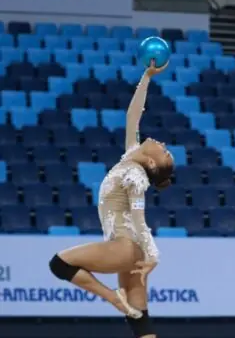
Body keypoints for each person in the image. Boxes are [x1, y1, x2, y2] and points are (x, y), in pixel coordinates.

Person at [48, 62, 173, 338]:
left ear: (151, 163)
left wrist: (154, 255)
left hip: (126, 246)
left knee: (59, 263)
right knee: (140, 321)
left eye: (165, 153)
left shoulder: (135, 175)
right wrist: (147, 77)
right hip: (129, 249)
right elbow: (133, 116)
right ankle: (123, 303)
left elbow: (140, 219)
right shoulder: (130, 157)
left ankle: (114, 299)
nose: (164, 146)